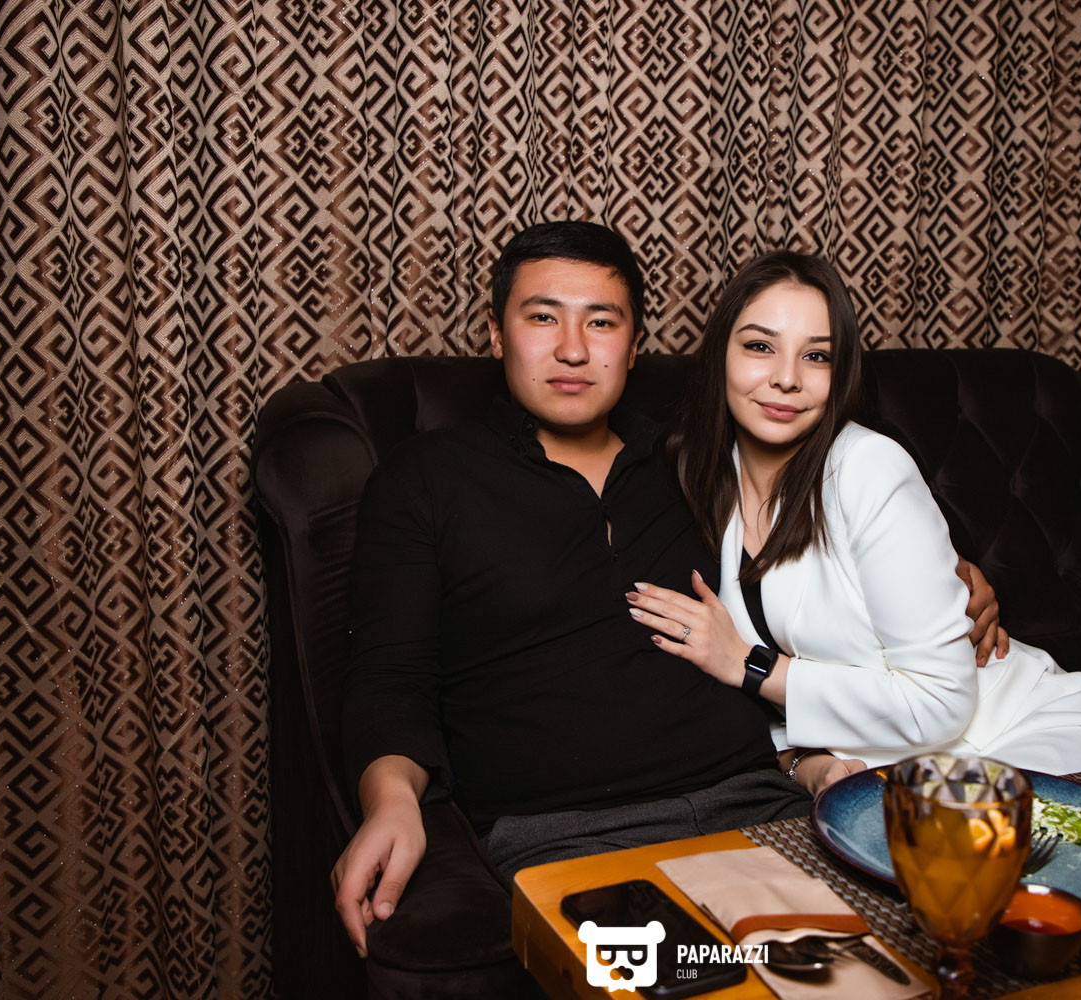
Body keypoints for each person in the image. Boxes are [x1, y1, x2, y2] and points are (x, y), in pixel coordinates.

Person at [331, 223, 1006, 962]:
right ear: (496, 333)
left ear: (634, 343)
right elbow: (390, 678)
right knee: (688, 982)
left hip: (758, 803)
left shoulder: (696, 467)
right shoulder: (426, 479)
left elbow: (819, 562)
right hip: (565, 834)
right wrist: (390, 801)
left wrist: (955, 579)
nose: (573, 349)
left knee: (902, 965)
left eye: (602, 322)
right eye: (543, 317)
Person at [626, 250, 1081, 778]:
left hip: (1019, 737)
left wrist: (749, 664)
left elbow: (940, 700)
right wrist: (800, 760)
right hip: (896, 768)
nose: (786, 378)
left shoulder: (868, 466)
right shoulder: (694, 478)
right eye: (761, 346)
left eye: (817, 356)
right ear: (719, 354)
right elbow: (719, 694)